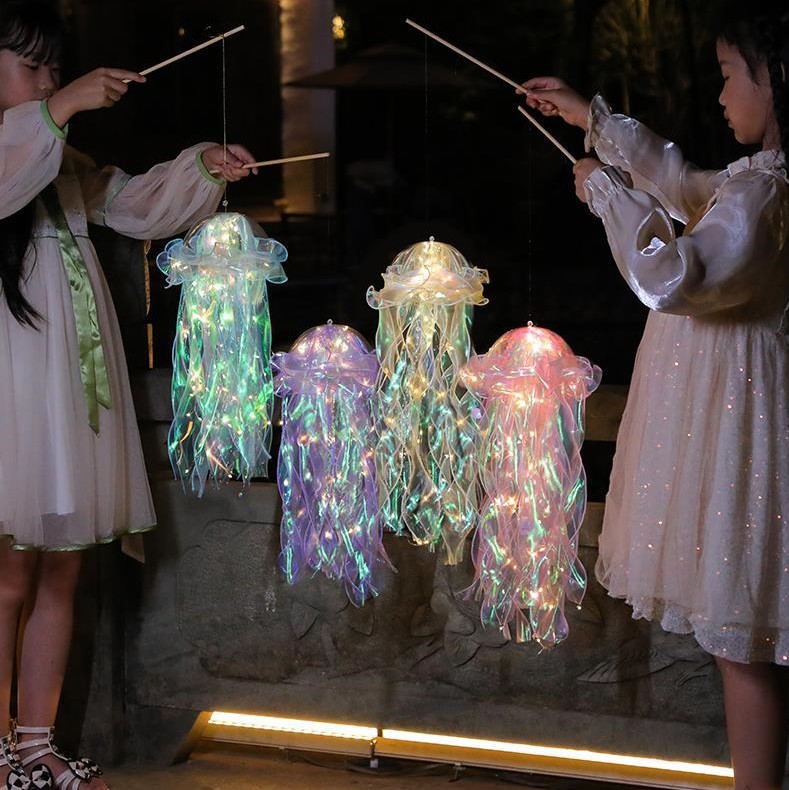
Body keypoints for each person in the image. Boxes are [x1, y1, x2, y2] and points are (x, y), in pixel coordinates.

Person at [521, 6, 789, 789]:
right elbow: (685, 186)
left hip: (741, 441)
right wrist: (594, 122)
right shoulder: (756, 184)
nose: (720, 95)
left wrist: (608, 196)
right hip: (739, 428)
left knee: (743, 644)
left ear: (775, 80)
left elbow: (673, 275)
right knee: (743, 643)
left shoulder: (766, 196)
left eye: (729, 76)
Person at [0, 1, 257, 787]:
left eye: (53, 67)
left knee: (61, 570)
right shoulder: (24, 149)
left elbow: (134, 203)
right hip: (13, 392)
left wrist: (201, 169)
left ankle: (35, 744)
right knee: (6, 577)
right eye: (31, 65)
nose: (49, 79)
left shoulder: (62, 160)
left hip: (68, 390)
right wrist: (62, 106)